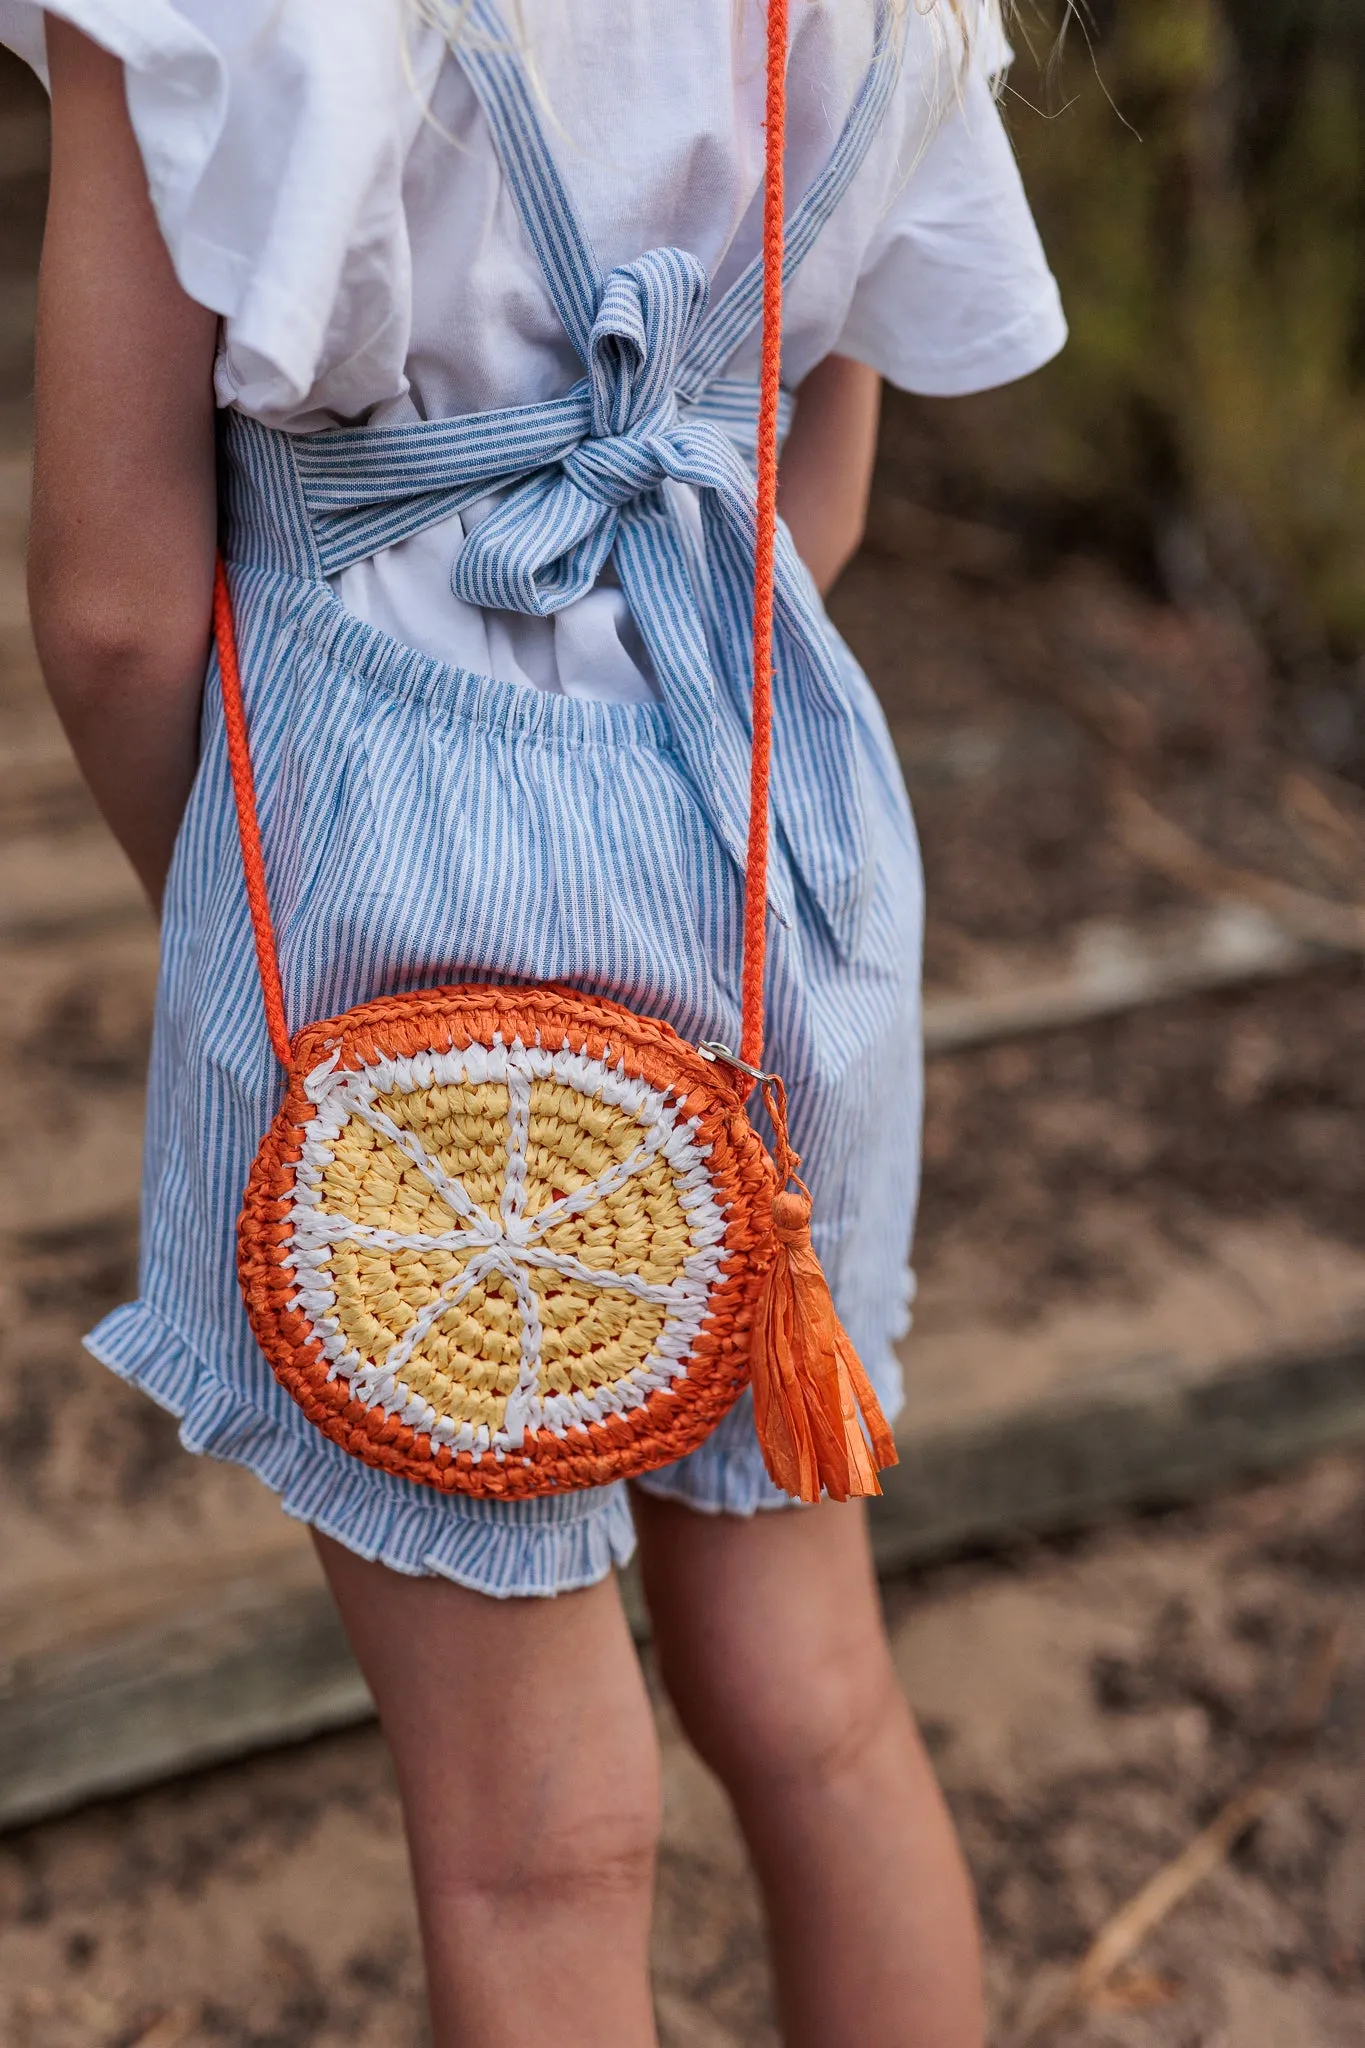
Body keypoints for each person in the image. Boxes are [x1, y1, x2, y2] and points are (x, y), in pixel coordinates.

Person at [11, 2, 1064, 2041]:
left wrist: (245, 909)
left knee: (536, 1838)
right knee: (816, 1706)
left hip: (390, 868)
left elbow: (116, 608)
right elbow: (805, 491)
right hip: (768, 832)